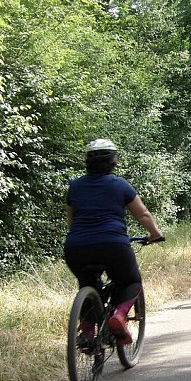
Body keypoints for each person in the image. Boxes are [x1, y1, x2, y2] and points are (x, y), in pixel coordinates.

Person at [64, 139, 165, 346]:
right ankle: (119, 315)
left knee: (87, 283)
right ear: (112, 161)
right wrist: (155, 234)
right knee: (130, 281)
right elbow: (143, 215)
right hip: (113, 245)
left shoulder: (75, 187)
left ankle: (86, 332)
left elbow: (70, 221)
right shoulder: (120, 185)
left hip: (76, 247)